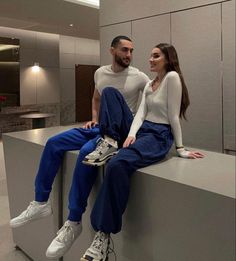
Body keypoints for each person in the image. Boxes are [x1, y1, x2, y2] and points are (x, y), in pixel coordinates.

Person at [9, 35, 150, 259]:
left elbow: (150, 103)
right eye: (124, 50)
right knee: (55, 143)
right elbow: (96, 98)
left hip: (121, 131)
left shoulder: (139, 76)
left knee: (86, 152)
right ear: (112, 50)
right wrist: (94, 117)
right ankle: (40, 202)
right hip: (101, 127)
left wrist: (138, 133)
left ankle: (73, 220)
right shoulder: (100, 73)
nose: (129, 55)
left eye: (132, 51)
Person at [80, 43, 204, 261]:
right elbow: (140, 114)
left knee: (116, 164)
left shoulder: (172, 78)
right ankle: (109, 141)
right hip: (143, 129)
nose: (150, 59)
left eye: (156, 56)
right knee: (109, 91)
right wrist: (131, 134)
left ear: (168, 58)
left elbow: (174, 116)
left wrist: (180, 148)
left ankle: (103, 235)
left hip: (159, 135)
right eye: (150, 56)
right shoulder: (150, 83)